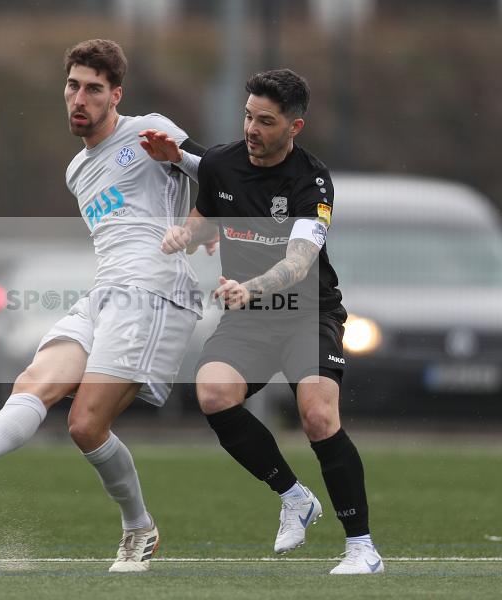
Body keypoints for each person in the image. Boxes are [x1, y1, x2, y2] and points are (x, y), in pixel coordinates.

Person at [0, 39, 207, 573]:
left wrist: (195, 212)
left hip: (155, 293)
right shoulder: (76, 171)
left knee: (84, 425)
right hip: (105, 293)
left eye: (94, 89)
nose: (79, 98)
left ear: (116, 95)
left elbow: (220, 174)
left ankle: (138, 528)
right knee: (34, 380)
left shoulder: (150, 128)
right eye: (72, 86)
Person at [144, 68, 384, 575]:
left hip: (307, 313)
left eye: (266, 121)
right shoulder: (221, 163)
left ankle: (362, 548)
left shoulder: (312, 181)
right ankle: (294, 497)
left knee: (317, 415)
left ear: (295, 127)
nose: (251, 129)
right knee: (213, 393)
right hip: (249, 318)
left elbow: (299, 262)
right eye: (248, 116)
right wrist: (183, 235)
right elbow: (204, 216)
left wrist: (251, 287)